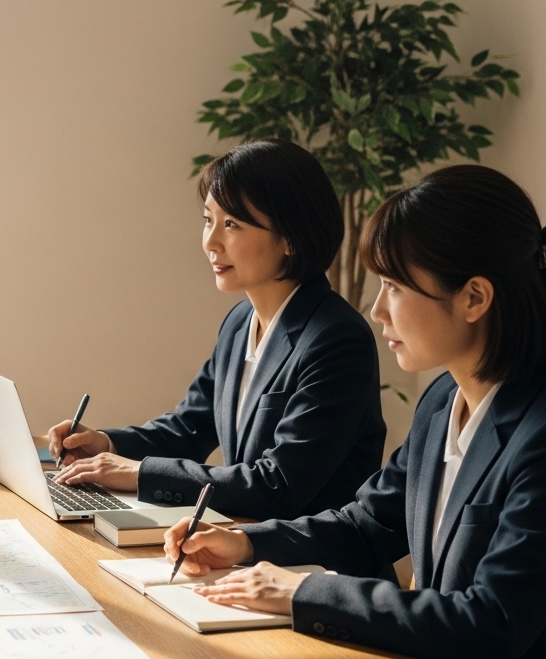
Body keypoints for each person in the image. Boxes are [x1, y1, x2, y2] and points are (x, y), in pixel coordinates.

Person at [165, 165, 546, 659]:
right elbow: (367, 525)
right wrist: (247, 544)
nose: (377, 310)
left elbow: (489, 622)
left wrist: (301, 591)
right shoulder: (441, 401)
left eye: (395, 287)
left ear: (474, 298)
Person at [52, 140, 385, 519]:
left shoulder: (336, 339)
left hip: (312, 566)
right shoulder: (240, 322)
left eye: (232, 224)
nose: (211, 241)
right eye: (209, 220)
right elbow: (190, 427)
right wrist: (106, 443)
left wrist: (137, 472)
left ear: (291, 237)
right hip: (241, 542)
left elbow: (277, 484)